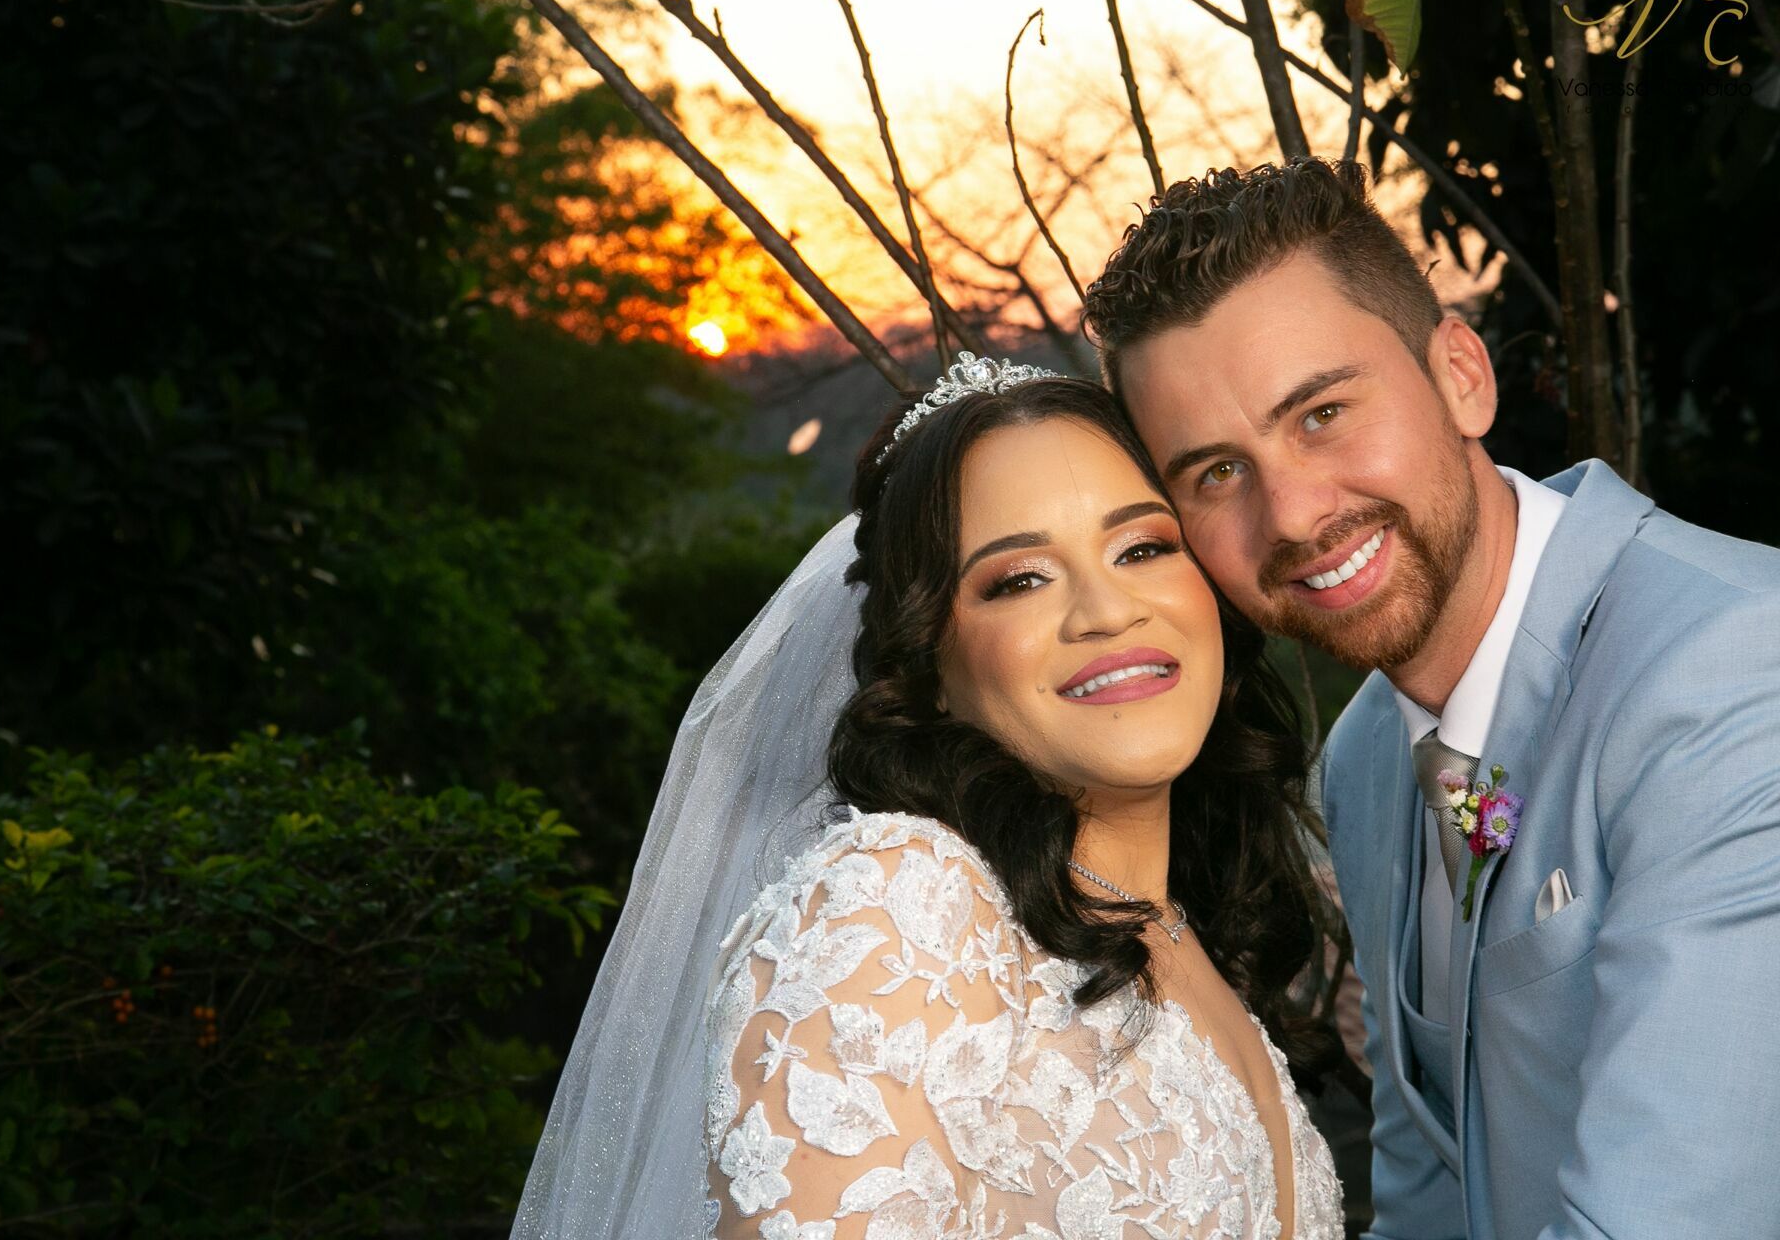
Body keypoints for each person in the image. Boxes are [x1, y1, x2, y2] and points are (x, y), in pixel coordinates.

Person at [1083, 157, 1780, 1239]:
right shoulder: (1368, 759)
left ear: (1462, 373)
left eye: (1320, 413)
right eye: (1217, 472)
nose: (1295, 514)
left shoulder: (1737, 667)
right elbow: (1426, 1184)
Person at [512, 357, 1349, 1239]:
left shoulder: (1187, 931)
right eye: (1019, 579)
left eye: (1141, 546)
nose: (1105, 609)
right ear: (930, 663)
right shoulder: (899, 909)